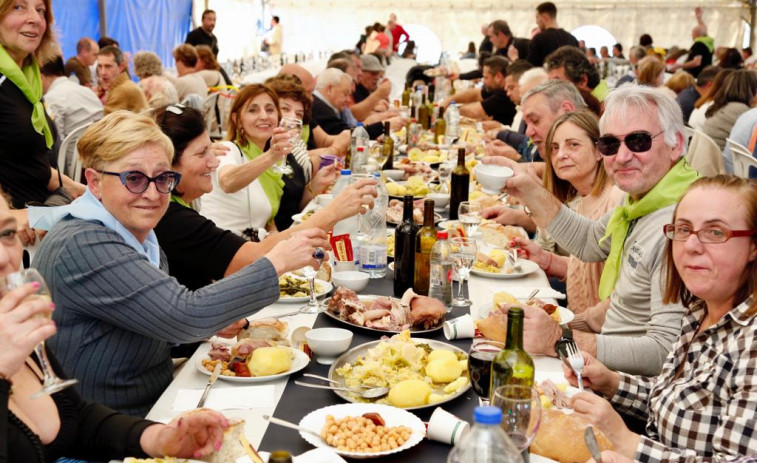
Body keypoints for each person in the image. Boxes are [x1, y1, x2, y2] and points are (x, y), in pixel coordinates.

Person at [29, 111, 329, 416]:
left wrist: (207, 324)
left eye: (162, 178)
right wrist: (276, 261)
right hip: (110, 427)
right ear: (94, 182)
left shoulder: (130, 230)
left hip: (151, 401)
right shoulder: (84, 242)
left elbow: (149, 318)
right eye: (133, 178)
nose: (151, 193)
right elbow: (184, 313)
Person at [0, 191, 232, 463]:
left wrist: (157, 438)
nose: (5, 258)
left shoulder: (13, 328)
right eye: (133, 179)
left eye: (7, 234)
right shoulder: (81, 243)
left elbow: (77, 420)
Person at [485, 84, 698, 376]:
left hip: (622, 383)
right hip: (601, 356)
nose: (621, 157)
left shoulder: (682, 224)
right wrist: (527, 188)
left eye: (638, 141)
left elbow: (665, 351)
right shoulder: (639, 202)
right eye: (610, 144)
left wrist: (562, 339)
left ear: (676, 143)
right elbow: (589, 242)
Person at [565, 175, 757, 463]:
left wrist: (627, 442)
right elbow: (675, 403)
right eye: (683, 229)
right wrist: (611, 382)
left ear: (753, 246)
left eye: (715, 232)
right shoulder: (699, 309)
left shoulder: (751, 340)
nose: (691, 245)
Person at [152, 104, 376, 290]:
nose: (214, 161)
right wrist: (333, 212)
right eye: (202, 153)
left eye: (213, 149)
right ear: (167, 164)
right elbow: (253, 258)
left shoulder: (179, 203)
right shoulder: (170, 216)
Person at [511, 110, 624, 311]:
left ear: (599, 151)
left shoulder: (616, 199)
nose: (560, 155)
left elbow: (617, 292)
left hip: (597, 333)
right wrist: (547, 260)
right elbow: (588, 272)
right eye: (554, 148)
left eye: (573, 145)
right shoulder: (584, 199)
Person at [0, 0, 85, 246]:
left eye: (40, 10)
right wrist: (6, 214)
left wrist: (74, 187)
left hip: (43, 210)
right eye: (18, 7)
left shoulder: (27, 78)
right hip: (19, 231)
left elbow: (24, 158)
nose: (35, 18)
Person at [40, 55, 103, 139]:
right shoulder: (88, 92)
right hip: (101, 147)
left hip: (73, 151)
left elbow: (55, 142)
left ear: (41, 77)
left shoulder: (50, 99)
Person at [702, 68, 757, 151]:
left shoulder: (726, 106)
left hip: (710, 157)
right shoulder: (740, 110)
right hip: (721, 160)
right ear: (751, 90)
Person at [457, 55, 517, 126]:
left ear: (498, 77)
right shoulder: (496, 88)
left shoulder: (504, 94)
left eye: (486, 78)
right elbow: (476, 94)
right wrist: (449, 101)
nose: (483, 82)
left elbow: (475, 111)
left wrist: (451, 109)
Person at [521, 2, 579, 66]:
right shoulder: (572, 39)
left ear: (545, 18)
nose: (536, 22)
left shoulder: (539, 39)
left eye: (537, 17)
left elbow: (531, 67)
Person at [95, 46, 148, 115]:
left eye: (108, 66)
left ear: (122, 66)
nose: (103, 72)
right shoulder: (124, 84)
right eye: (99, 66)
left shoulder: (122, 90)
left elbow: (106, 122)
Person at [669, 7, 713, 78]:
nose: (691, 34)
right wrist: (699, 18)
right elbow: (703, 29)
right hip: (704, 75)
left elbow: (696, 62)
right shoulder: (707, 42)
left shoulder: (699, 45)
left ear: (696, 34)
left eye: (692, 32)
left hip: (696, 76)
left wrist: (679, 65)